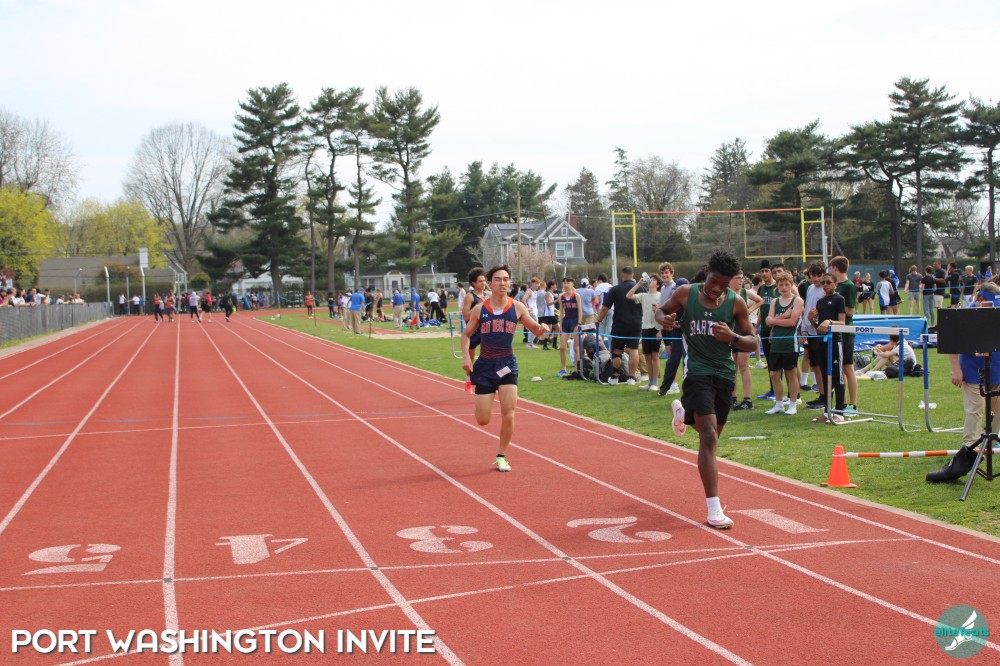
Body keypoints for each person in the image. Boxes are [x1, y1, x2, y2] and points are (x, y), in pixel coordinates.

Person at [655, 250, 757, 529]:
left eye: (723, 285)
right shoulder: (687, 293)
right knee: (709, 436)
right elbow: (662, 310)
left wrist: (733, 337)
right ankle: (714, 509)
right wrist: (663, 319)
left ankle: (682, 414)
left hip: (724, 374)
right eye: (713, 282)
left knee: (709, 436)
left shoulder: (735, 302)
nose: (716, 289)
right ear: (707, 272)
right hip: (697, 372)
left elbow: (753, 341)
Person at [461, 264, 551, 473]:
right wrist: (466, 357)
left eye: (506, 279)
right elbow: (466, 335)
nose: (502, 283)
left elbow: (534, 329)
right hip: (485, 367)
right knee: (483, 420)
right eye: (498, 279)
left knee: (509, 412)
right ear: (490, 283)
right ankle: (485, 398)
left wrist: (542, 329)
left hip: (507, 365)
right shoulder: (480, 309)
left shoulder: (517, 307)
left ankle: (501, 456)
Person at [927, 282, 1000, 482]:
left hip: (997, 372)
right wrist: (956, 369)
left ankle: (989, 448)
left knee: (996, 417)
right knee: (975, 412)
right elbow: (952, 342)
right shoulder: (966, 315)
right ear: (982, 299)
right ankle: (968, 452)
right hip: (973, 372)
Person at [806, 273, 847, 417]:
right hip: (821, 342)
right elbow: (819, 327)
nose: (825, 285)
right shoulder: (820, 301)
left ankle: (839, 411)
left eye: (828, 282)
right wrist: (811, 319)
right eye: (823, 282)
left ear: (835, 284)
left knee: (837, 376)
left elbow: (842, 323)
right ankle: (827, 411)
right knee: (825, 375)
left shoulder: (839, 299)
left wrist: (829, 321)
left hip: (834, 341)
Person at [595, 267, 643, 385]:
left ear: (622, 276)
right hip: (636, 323)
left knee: (617, 350)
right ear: (632, 275)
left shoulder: (615, 289)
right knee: (634, 349)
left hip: (620, 323)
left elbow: (605, 307)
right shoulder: (641, 288)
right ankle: (631, 378)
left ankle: (615, 376)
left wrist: (599, 319)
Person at [764, 271, 803, 415]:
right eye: (781, 285)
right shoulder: (775, 301)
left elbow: (792, 322)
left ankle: (793, 404)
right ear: (777, 286)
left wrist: (775, 320)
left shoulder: (797, 301)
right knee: (774, 374)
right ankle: (779, 404)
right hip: (776, 343)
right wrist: (783, 316)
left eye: (787, 284)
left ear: (791, 285)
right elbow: (768, 321)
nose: (784, 287)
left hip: (790, 342)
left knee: (791, 374)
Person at [730, 269, 762, 410]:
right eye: (737, 278)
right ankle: (732, 397)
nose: (740, 281)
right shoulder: (726, 293)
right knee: (732, 367)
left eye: (742, 278)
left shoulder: (744, 292)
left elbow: (759, 300)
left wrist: (749, 310)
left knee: (743, 365)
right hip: (731, 332)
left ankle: (747, 399)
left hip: (743, 332)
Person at [627, 274, 661, 391]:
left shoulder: (661, 296)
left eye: (654, 279)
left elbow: (665, 312)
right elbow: (629, 295)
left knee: (655, 356)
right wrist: (639, 284)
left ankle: (655, 383)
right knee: (647, 356)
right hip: (645, 328)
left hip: (656, 328)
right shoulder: (643, 295)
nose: (651, 281)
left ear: (658, 284)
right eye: (650, 279)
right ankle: (650, 382)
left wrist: (660, 330)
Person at [557, 277, 582, 378]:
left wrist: (579, 323)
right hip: (566, 322)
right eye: (564, 283)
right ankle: (563, 369)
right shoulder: (561, 297)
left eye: (568, 283)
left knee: (576, 348)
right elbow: (561, 311)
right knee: (562, 347)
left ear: (572, 284)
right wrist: (560, 324)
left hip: (575, 322)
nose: (566, 285)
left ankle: (576, 369)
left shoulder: (576, 296)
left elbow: (580, 310)